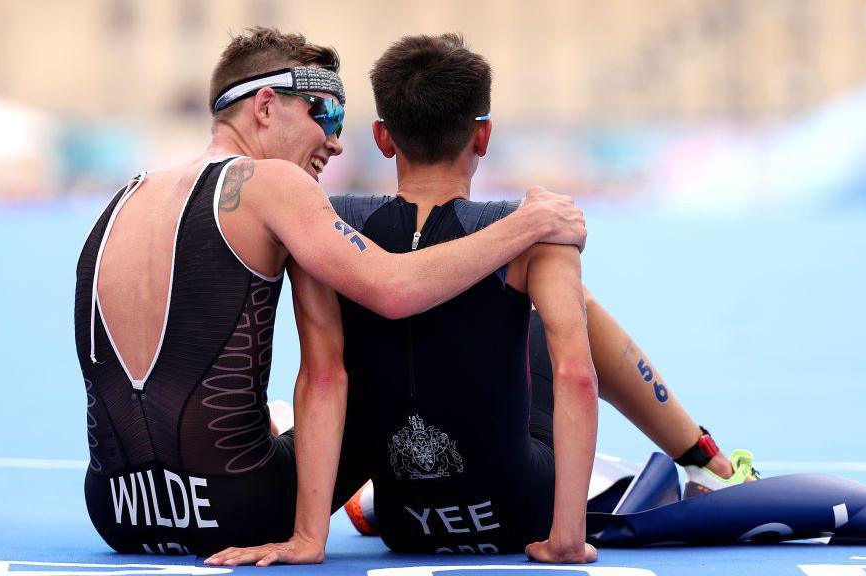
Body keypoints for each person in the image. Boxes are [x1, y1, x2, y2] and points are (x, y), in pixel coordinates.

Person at [205, 34, 757, 567]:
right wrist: (566, 537)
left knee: (361, 355)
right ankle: (705, 458)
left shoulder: (333, 221)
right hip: (521, 514)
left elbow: (321, 375)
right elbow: (577, 379)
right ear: (484, 136)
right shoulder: (534, 226)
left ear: (382, 137)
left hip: (407, 522)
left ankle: (374, 490)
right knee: (561, 310)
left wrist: (309, 534)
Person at [74, 27, 587, 559]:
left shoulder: (125, 196)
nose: (336, 140)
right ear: (266, 106)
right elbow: (389, 292)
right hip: (238, 508)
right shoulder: (275, 183)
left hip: (115, 510)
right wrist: (526, 225)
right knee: (381, 371)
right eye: (326, 114)